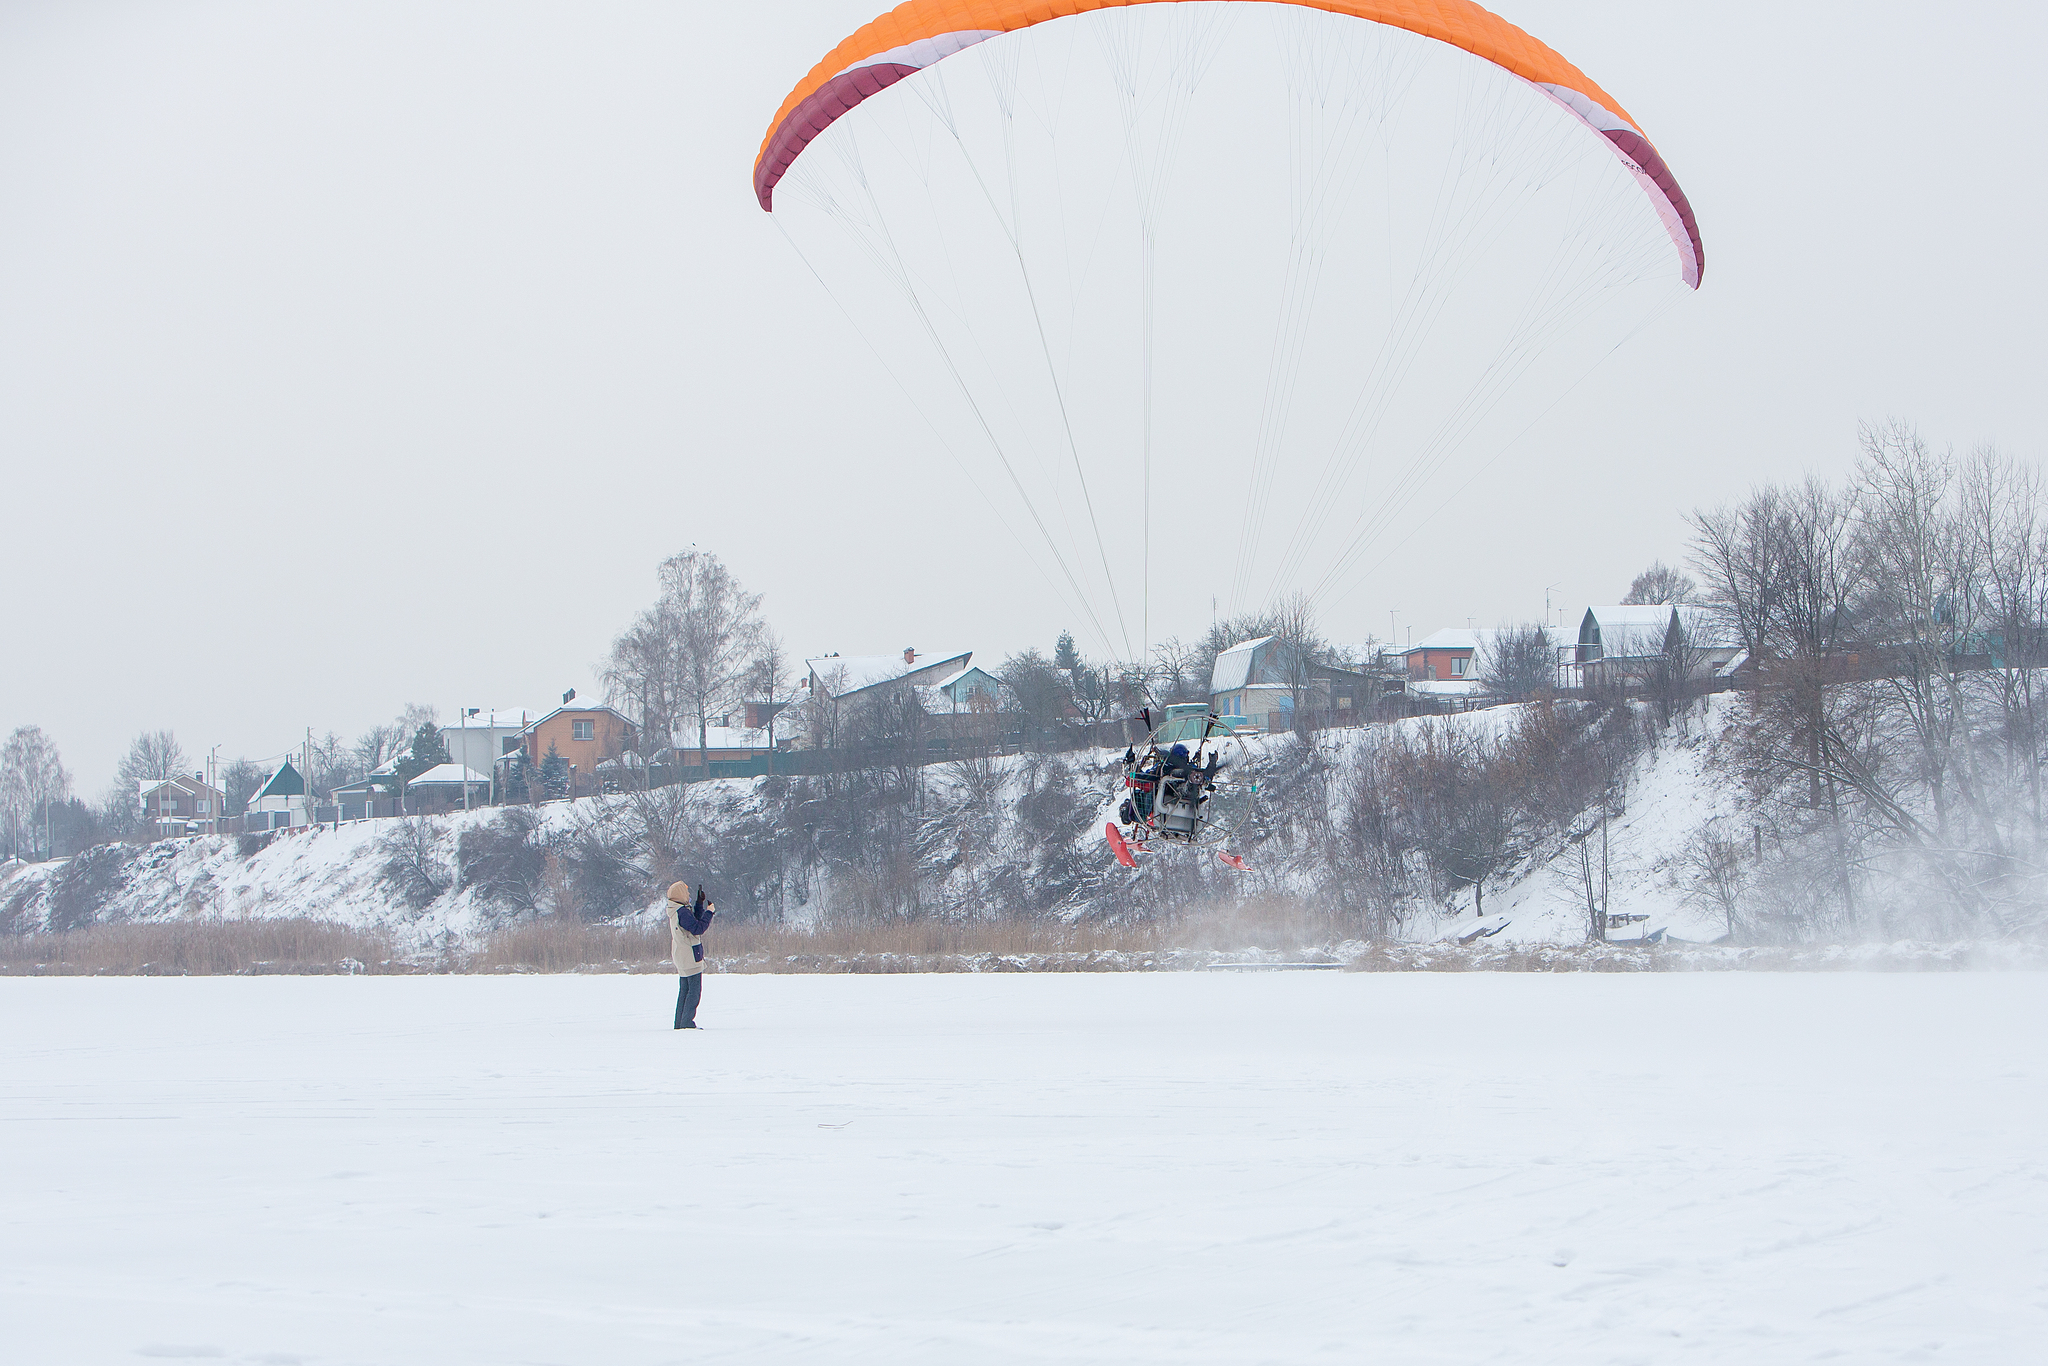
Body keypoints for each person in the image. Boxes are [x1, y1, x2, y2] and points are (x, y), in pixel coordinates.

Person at [667, 880, 716, 1029]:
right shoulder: (682, 912)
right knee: (694, 992)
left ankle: (680, 1023)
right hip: (689, 956)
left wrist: (699, 903)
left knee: (684, 991)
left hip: (682, 956)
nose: (687, 895)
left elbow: (693, 921)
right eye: (686, 893)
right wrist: (709, 913)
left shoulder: (677, 910)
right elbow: (697, 928)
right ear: (680, 895)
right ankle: (687, 1023)